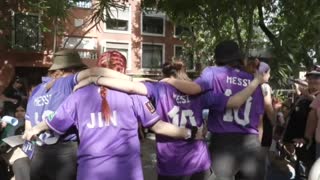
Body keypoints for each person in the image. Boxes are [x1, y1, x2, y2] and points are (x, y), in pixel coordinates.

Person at [74, 53, 269, 180]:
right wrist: (256, 82)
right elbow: (235, 102)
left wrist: (94, 78)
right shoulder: (202, 94)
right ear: (184, 74)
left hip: (170, 167)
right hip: (199, 165)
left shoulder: (158, 88)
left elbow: (131, 85)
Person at [23, 51, 204, 180]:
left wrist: (35, 128)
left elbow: (53, 124)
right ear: (122, 71)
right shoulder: (135, 96)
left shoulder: (77, 95)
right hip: (127, 173)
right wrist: (190, 133)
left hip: (90, 173)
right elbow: (159, 127)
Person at [147, 40, 270, 180]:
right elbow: (260, 121)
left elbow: (193, 89)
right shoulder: (254, 81)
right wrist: (257, 147)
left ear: (218, 58)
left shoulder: (213, 73)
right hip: (251, 146)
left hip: (222, 146)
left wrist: (169, 81)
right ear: (239, 57)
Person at [283, 69, 320, 180]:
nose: (312, 83)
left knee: (311, 170)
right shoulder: (303, 96)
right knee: (302, 168)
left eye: (315, 80)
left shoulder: (314, 96)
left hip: (312, 143)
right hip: (301, 139)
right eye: (310, 80)